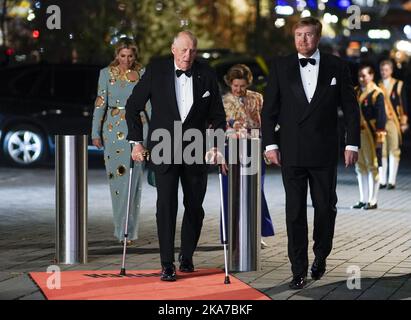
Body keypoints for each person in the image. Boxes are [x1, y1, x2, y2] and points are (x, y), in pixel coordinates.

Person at [261, 17, 360, 290]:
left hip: (324, 151)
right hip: (291, 152)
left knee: (325, 209)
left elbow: (351, 109)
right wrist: (270, 145)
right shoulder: (281, 67)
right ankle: (298, 270)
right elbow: (269, 110)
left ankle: (321, 253)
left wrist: (352, 144)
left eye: (308, 35)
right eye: (299, 35)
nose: (303, 40)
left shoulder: (336, 66)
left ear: (318, 37)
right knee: (294, 212)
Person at [125, 31, 226, 282]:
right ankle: (167, 263)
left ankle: (187, 255)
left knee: (194, 206)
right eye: (183, 50)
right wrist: (136, 142)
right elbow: (132, 106)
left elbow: (218, 115)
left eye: (192, 51)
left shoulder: (207, 73)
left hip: (196, 149)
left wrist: (217, 145)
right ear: (173, 49)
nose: (187, 56)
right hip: (163, 148)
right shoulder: (156, 71)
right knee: (166, 206)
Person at [91, 40, 149, 245]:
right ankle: (120, 230)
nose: (127, 60)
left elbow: (149, 104)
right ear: (117, 55)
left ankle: (130, 231)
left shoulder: (143, 73)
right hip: (113, 131)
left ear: (135, 56)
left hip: (138, 129)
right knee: (118, 182)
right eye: (123, 56)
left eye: (130, 56)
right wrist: (95, 132)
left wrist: (154, 131)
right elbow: (100, 103)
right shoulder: (106, 74)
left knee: (134, 183)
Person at [221, 64, 275, 248]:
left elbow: (269, 123)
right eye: (235, 85)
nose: (239, 89)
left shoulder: (257, 98)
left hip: (254, 147)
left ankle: (255, 233)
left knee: (255, 191)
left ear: (248, 83)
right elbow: (217, 129)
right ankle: (231, 235)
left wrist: (268, 145)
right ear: (229, 83)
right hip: (231, 149)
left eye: (242, 85)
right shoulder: (223, 101)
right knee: (231, 192)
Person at [352, 65, 387, 210]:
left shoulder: (376, 93)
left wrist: (380, 137)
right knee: (359, 166)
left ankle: (373, 200)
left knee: (372, 165)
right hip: (356, 133)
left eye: (364, 75)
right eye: (360, 76)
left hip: (370, 133)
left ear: (371, 76)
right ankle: (362, 199)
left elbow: (381, 117)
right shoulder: (356, 91)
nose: (362, 78)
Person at [378, 59, 409, 189]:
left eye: (386, 70)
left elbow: (403, 104)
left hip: (393, 121)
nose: (384, 72)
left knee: (394, 149)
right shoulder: (377, 85)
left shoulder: (398, 85)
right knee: (382, 151)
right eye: (382, 70)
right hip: (380, 122)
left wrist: (403, 122)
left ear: (391, 70)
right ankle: (382, 180)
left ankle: (392, 180)